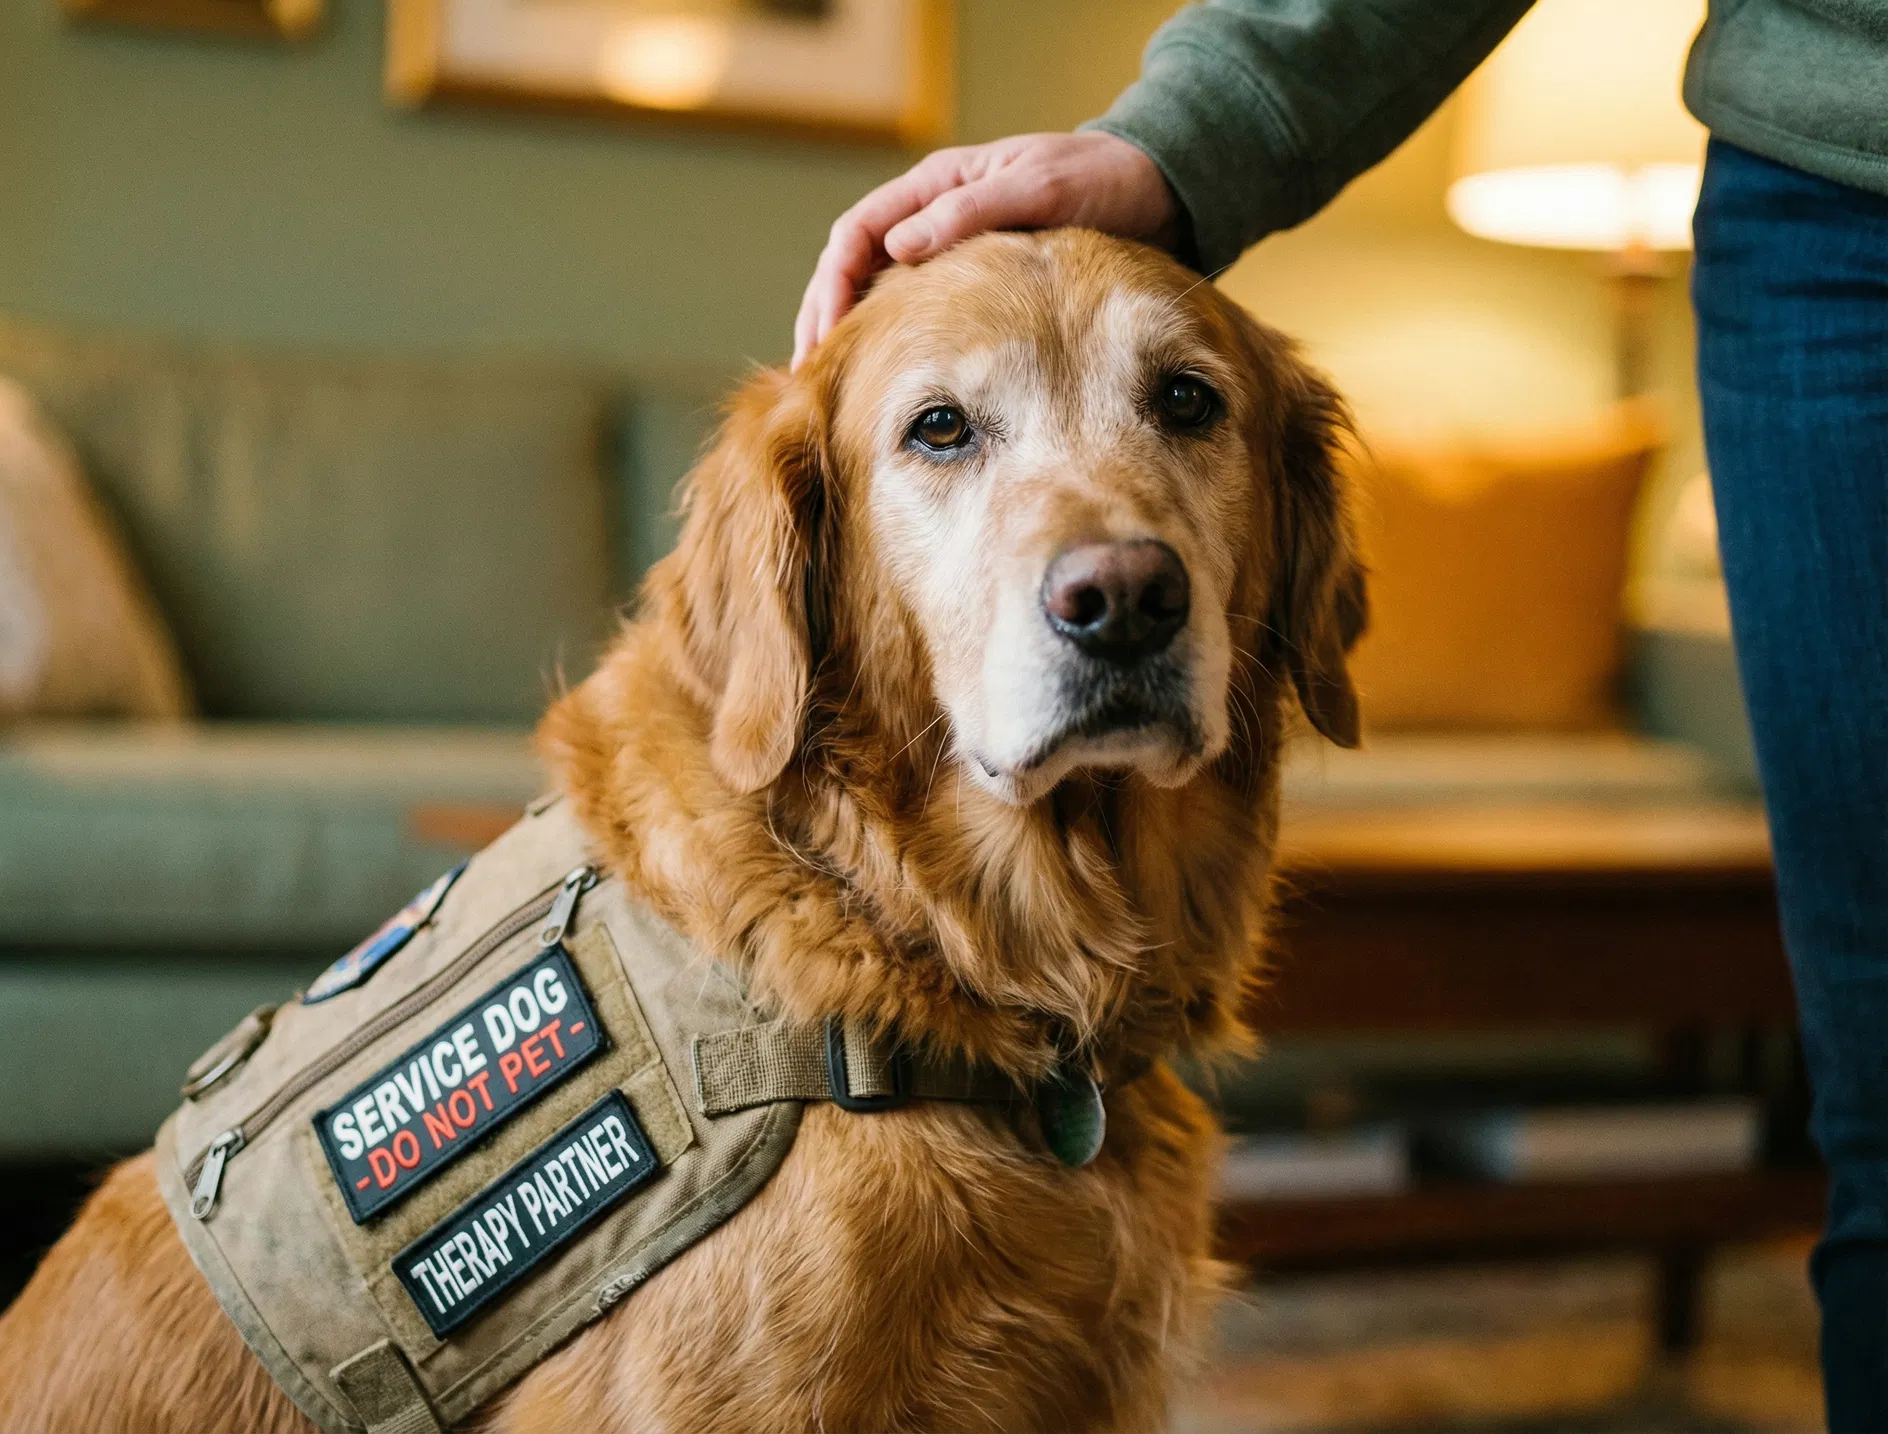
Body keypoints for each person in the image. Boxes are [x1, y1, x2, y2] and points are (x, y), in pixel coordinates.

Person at [792, 2, 1888, 1428]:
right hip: (1850, 198)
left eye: (1182, 404)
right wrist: (1182, 141)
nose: (1116, 566)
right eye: (947, 429)